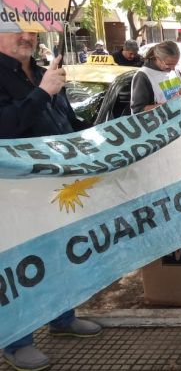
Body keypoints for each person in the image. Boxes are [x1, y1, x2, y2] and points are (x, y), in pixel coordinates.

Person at [0, 31, 101, 370]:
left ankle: (62, 316)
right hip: (14, 193)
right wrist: (43, 93)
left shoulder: (47, 70)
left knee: (63, 252)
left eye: (30, 26)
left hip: (57, 188)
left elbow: (68, 125)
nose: (25, 35)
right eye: (14, 26)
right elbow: (6, 127)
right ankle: (18, 339)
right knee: (20, 261)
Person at [129, 41, 181, 114]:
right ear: (157, 58)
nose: (173, 68)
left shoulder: (175, 71)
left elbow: (178, 92)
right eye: (169, 64)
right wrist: (167, 106)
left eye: (175, 64)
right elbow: (138, 110)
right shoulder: (143, 76)